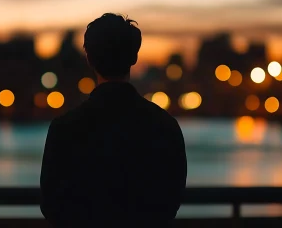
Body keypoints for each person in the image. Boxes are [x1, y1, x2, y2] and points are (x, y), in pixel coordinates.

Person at [40, 13, 187, 228]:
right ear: (134, 57)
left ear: (89, 58)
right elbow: (172, 198)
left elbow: (51, 204)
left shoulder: (64, 128)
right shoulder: (164, 125)